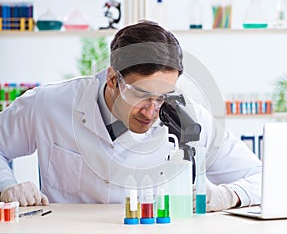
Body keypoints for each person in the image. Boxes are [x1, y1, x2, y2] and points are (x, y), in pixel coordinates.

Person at [0, 20, 261, 211]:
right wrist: (7, 185)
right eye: (141, 95)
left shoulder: (190, 118)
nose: (152, 111)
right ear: (113, 78)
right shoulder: (48, 104)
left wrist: (229, 195)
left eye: (163, 97)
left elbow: (262, 177)